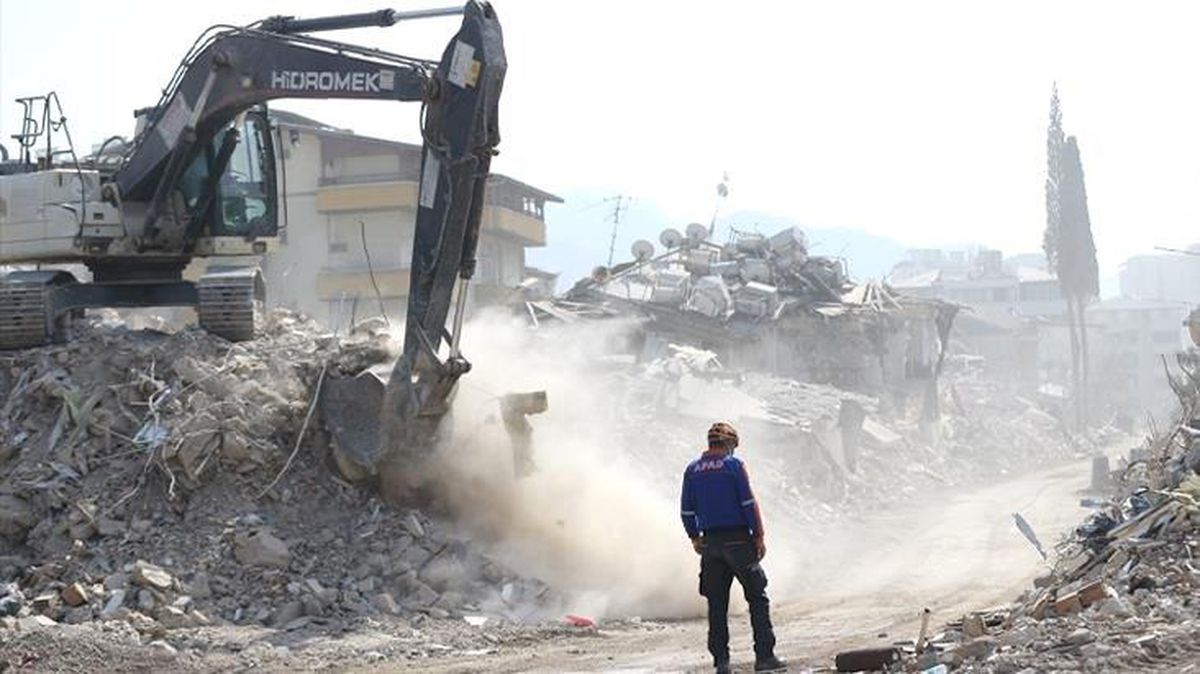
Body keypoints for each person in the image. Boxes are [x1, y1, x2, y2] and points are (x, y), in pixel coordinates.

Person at [681, 422, 786, 673]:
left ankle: (721, 664)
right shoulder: (733, 466)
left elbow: (686, 510)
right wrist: (758, 535)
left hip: (710, 544)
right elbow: (748, 503)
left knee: (716, 605)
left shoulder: (693, 469)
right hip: (738, 541)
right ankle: (764, 658)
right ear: (728, 444)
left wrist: (695, 537)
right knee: (757, 598)